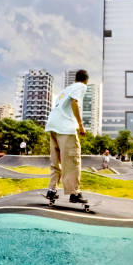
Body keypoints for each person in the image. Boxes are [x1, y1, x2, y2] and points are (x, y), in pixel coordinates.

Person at [44, 69, 89, 204]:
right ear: (86, 80)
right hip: (65, 128)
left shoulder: (66, 89)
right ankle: (74, 193)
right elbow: (74, 102)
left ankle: (51, 190)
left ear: (75, 78)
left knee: (55, 160)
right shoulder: (81, 86)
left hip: (52, 125)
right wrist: (80, 125)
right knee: (72, 160)